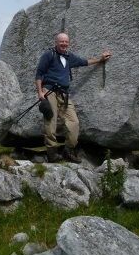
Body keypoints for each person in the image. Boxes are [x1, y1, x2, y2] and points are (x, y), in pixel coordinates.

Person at [35, 32, 112, 163]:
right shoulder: (49, 55)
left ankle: (68, 150)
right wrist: (40, 92)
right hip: (50, 91)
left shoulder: (69, 56)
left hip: (64, 94)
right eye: (61, 41)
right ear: (56, 42)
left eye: (66, 41)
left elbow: (84, 62)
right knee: (50, 122)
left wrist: (100, 59)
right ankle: (52, 153)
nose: (64, 44)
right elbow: (39, 74)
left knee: (74, 122)